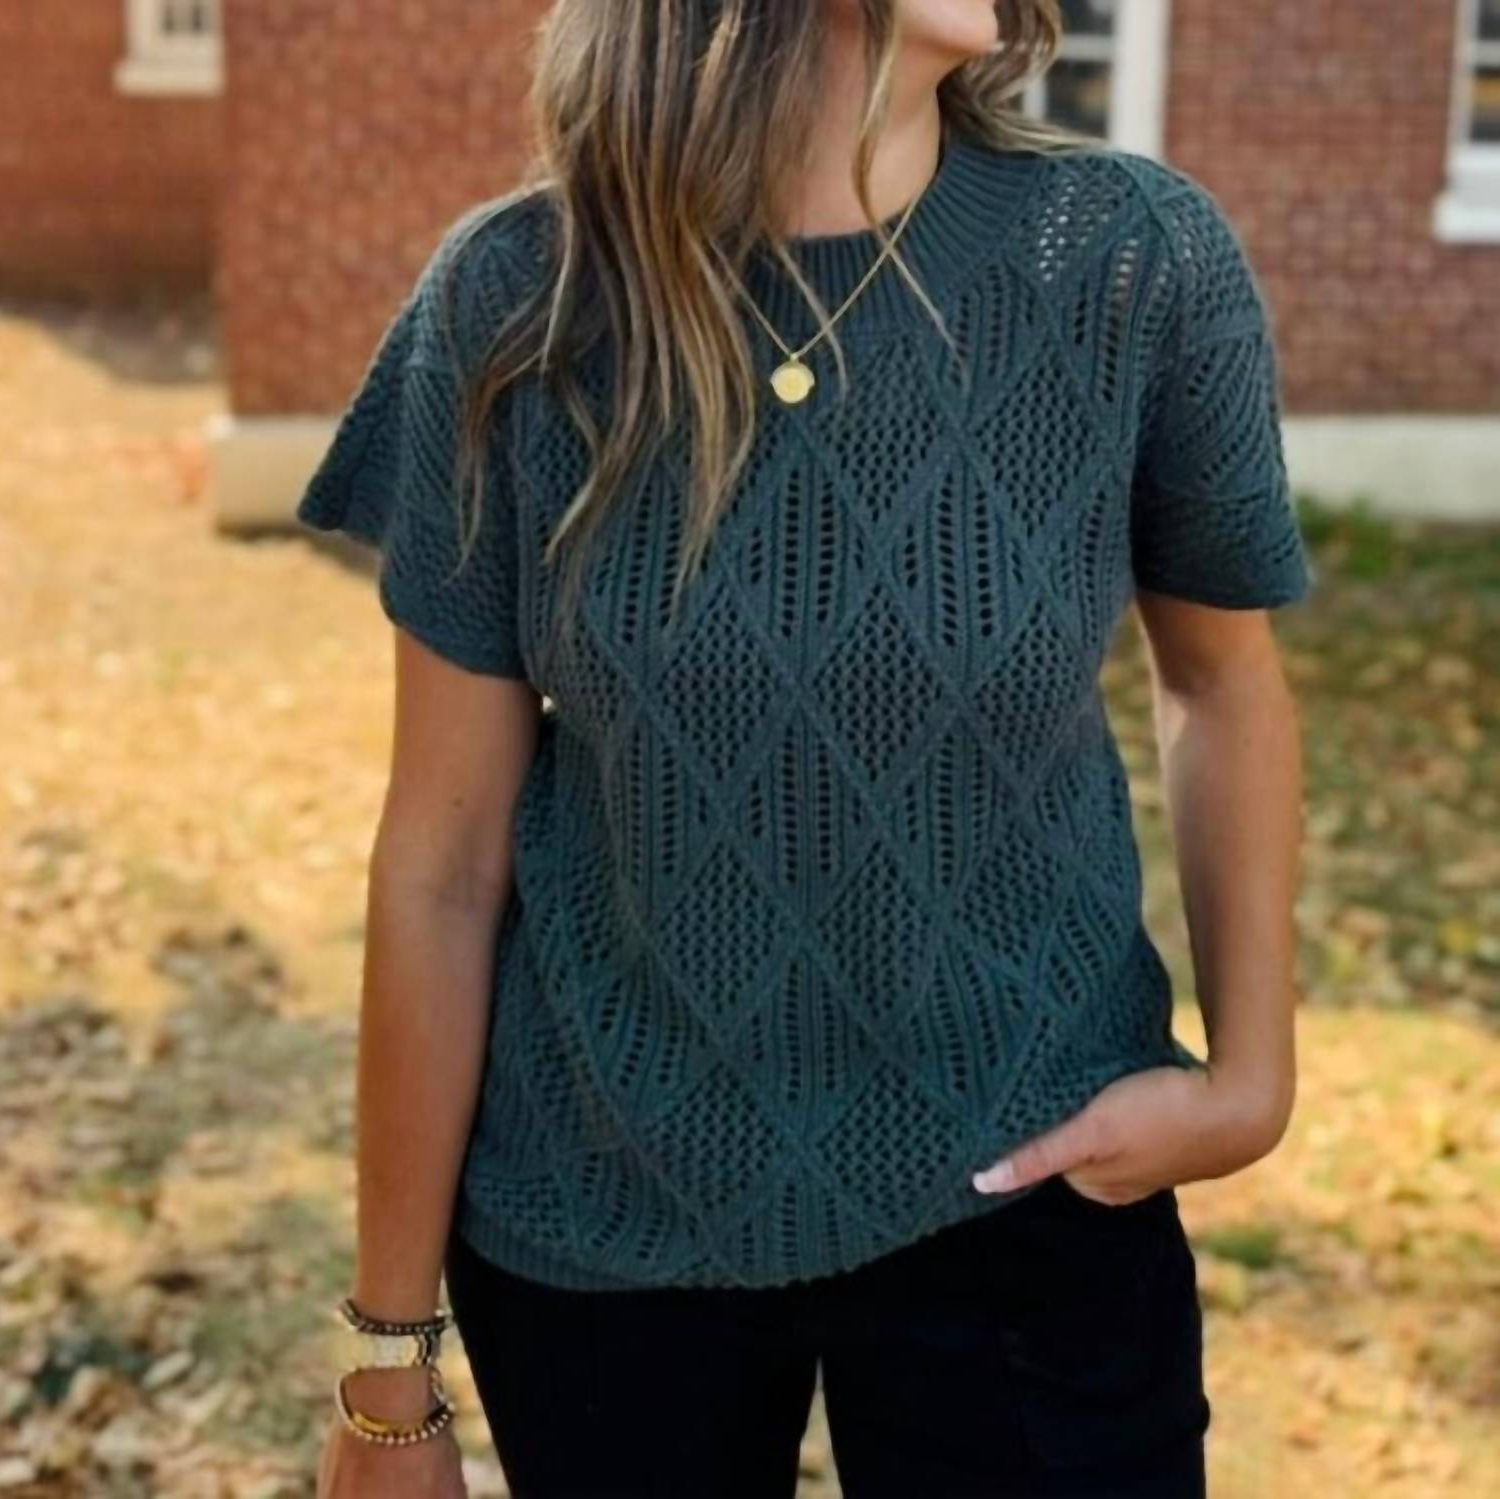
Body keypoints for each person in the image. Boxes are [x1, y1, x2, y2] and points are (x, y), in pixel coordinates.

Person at [304, 2, 1316, 1495]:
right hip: (609, 1219)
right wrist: (390, 1372)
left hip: (1030, 1181)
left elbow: (1222, 684)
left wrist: (1251, 1083)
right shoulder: (524, 300)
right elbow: (442, 862)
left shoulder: (1124, 261)